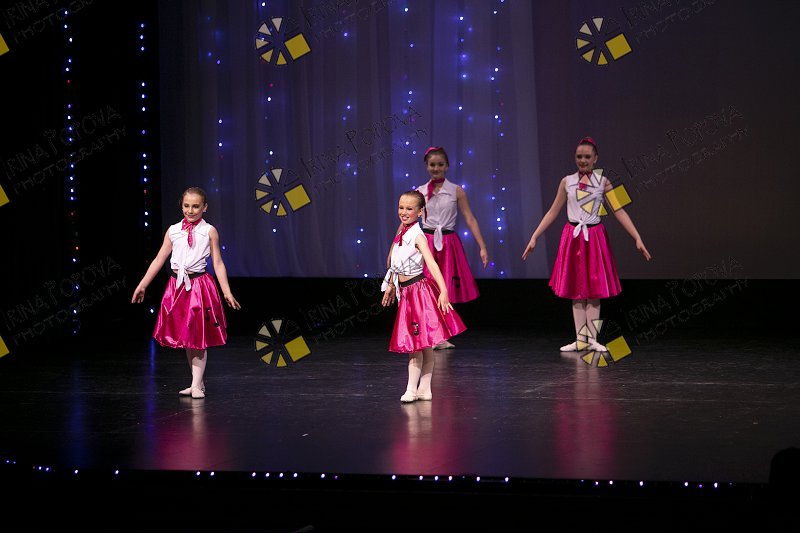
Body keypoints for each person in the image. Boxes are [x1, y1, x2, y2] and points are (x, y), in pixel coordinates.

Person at [522, 137, 651, 352]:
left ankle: (592, 339)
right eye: (579, 156)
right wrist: (535, 236)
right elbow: (553, 211)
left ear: (595, 158)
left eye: (587, 157)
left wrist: (637, 237)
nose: (583, 160)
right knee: (576, 291)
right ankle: (580, 340)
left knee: (594, 291)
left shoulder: (604, 181)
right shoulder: (566, 181)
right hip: (573, 237)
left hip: (595, 237)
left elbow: (619, 210)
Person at [132, 187, 241, 399]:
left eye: (196, 206)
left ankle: (197, 384)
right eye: (186, 206)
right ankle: (196, 382)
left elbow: (218, 263)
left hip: (199, 286)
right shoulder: (173, 230)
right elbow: (159, 259)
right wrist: (143, 284)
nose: (190, 211)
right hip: (177, 286)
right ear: (181, 206)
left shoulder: (208, 231)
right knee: (187, 337)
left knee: (198, 337)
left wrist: (227, 292)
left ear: (204, 207)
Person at [381, 190, 466, 403]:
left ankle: (412, 389)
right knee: (424, 344)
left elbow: (432, 264)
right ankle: (425, 389)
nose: (404, 212)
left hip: (418, 294)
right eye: (401, 207)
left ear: (420, 212)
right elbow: (397, 264)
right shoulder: (402, 232)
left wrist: (444, 290)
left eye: (409, 209)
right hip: (406, 292)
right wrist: (390, 285)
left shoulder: (417, 236)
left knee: (416, 345)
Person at [413, 146, 488, 349]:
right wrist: (396, 245)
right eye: (432, 165)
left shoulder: (456, 191)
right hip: (427, 242)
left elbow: (470, 218)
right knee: (427, 286)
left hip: (448, 243)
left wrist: (482, 246)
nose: (436, 168)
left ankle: (441, 334)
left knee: (445, 286)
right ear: (427, 166)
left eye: (440, 164)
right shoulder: (420, 192)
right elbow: (408, 220)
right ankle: (431, 334)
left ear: (446, 166)